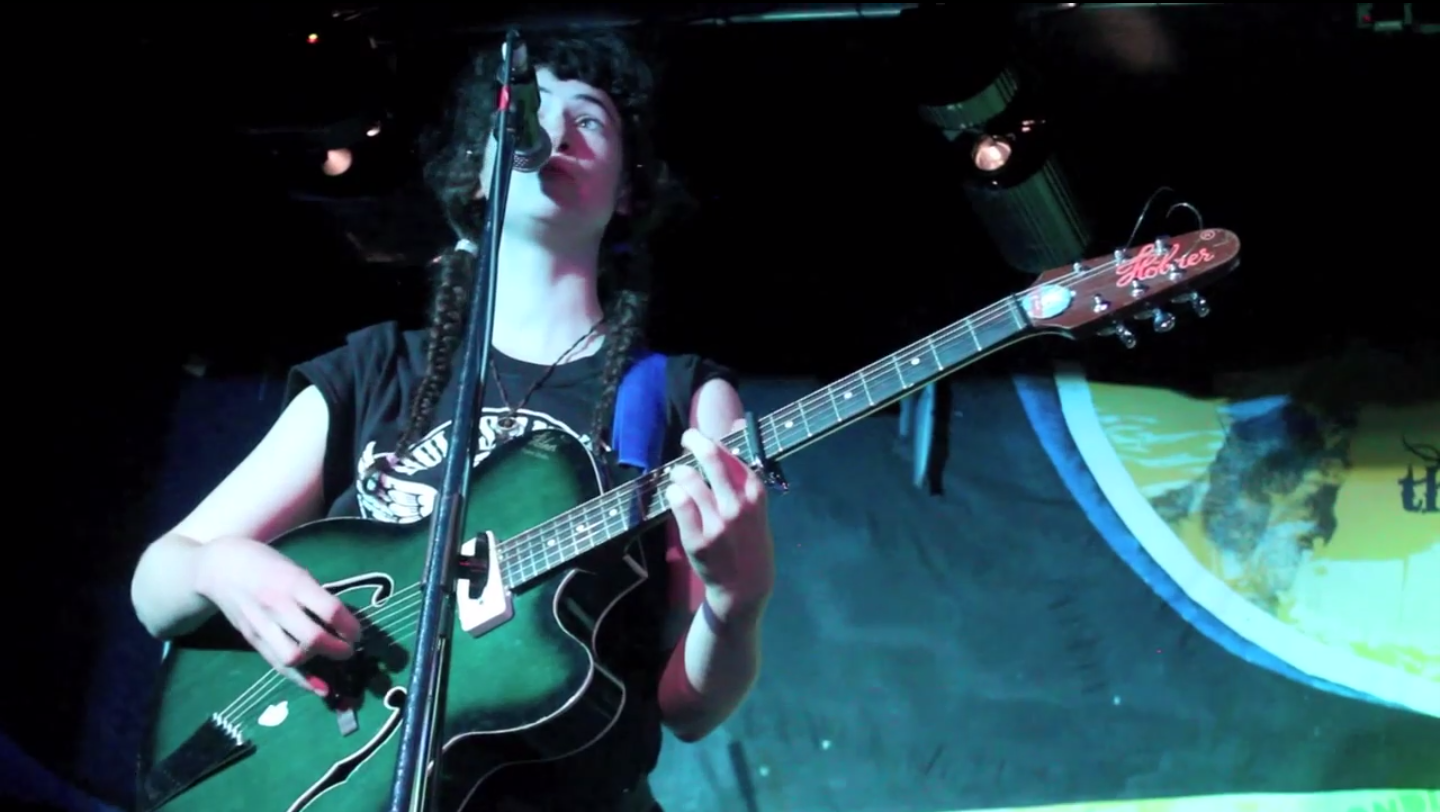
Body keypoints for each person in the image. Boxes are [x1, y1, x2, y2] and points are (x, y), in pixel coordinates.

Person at [129, 30, 776, 812]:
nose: (554, 129)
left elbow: (685, 711)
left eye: (590, 119)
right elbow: (158, 584)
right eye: (528, 109)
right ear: (482, 167)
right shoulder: (374, 371)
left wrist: (737, 605)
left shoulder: (677, 397)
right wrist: (220, 568)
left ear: (630, 192)